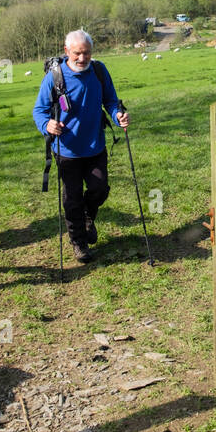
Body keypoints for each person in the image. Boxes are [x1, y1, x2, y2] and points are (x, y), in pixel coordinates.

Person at [32, 30, 129, 264]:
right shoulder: (55, 77)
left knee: (100, 188)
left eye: (86, 53)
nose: (82, 58)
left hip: (95, 145)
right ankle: (79, 242)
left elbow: (111, 101)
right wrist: (47, 124)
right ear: (67, 52)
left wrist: (119, 116)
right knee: (72, 198)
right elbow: (39, 111)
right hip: (66, 149)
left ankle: (87, 216)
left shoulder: (99, 70)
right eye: (77, 53)